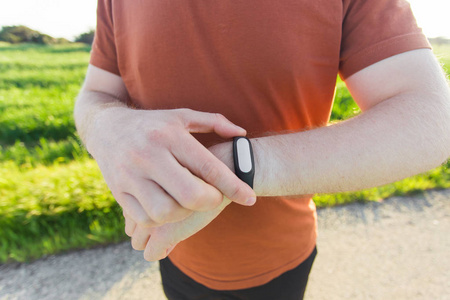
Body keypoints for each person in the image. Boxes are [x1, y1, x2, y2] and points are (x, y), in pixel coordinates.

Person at [74, 0, 450, 299]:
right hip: (171, 252)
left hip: (280, 259)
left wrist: (233, 168)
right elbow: (96, 94)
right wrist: (105, 125)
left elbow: (431, 119)